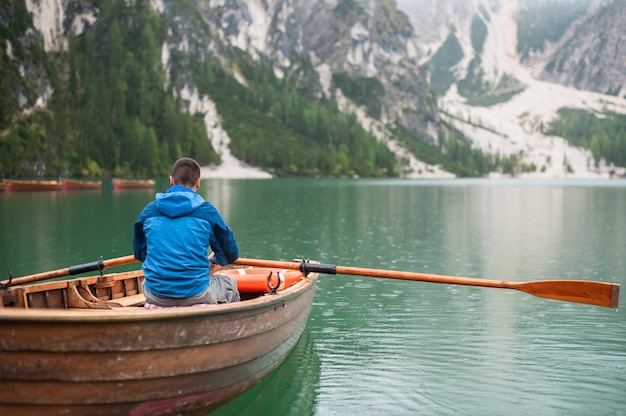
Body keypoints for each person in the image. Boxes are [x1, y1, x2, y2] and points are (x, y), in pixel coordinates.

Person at [133, 157, 240, 306]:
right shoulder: (207, 212)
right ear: (198, 182)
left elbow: (140, 254)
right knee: (231, 285)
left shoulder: (149, 212)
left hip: (156, 294)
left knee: (146, 282)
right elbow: (231, 254)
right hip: (197, 293)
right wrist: (214, 259)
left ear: (171, 180)